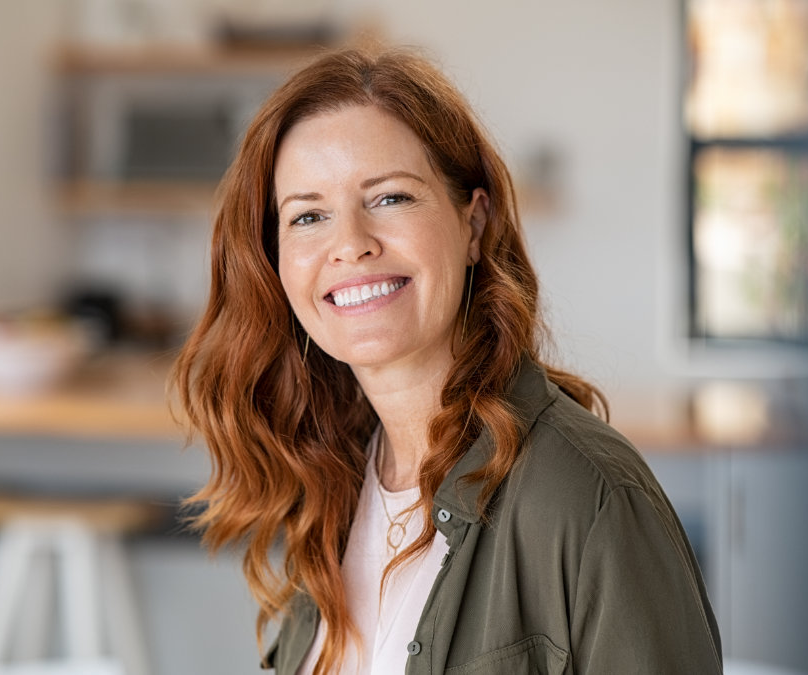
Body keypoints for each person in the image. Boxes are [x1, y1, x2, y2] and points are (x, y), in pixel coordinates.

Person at [171, 47, 722, 675]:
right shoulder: (327, 482)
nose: (350, 244)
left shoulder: (587, 498)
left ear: (474, 224)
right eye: (309, 215)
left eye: (390, 199)